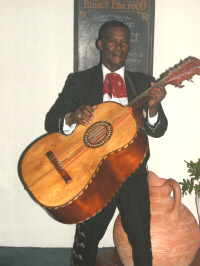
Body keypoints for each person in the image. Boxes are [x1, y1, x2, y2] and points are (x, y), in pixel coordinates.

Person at [45, 20, 168, 266]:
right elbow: (52, 121)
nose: (118, 46)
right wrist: (72, 117)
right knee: (88, 241)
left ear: (129, 47)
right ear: (100, 44)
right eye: (112, 40)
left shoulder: (143, 84)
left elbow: (158, 129)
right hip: (94, 176)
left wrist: (152, 108)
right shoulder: (79, 81)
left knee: (142, 240)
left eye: (124, 41)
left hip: (132, 174)